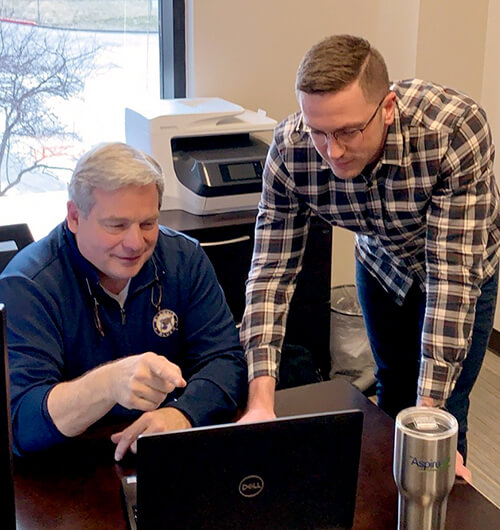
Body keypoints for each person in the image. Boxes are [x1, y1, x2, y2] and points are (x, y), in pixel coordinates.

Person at [240, 34, 500, 481]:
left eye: (347, 131)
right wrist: (260, 403)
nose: (333, 151)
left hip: (462, 267)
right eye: (319, 131)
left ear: (387, 108)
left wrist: (430, 426)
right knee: (392, 387)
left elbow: (451, 279)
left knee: (441, 415)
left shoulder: (452, 131)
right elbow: (270, 272)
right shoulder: (290, 148)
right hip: (381, 263)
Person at [0, 142, 247, 461]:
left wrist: (183, 414)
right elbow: (21, 422)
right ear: (75, 217)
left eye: (148, 224)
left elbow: (227, 359)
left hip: (163, 448)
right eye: (116, 225)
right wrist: (106, 385)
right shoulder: (28, 286)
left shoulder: (183, 259)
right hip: (71, 466)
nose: (135, 243)